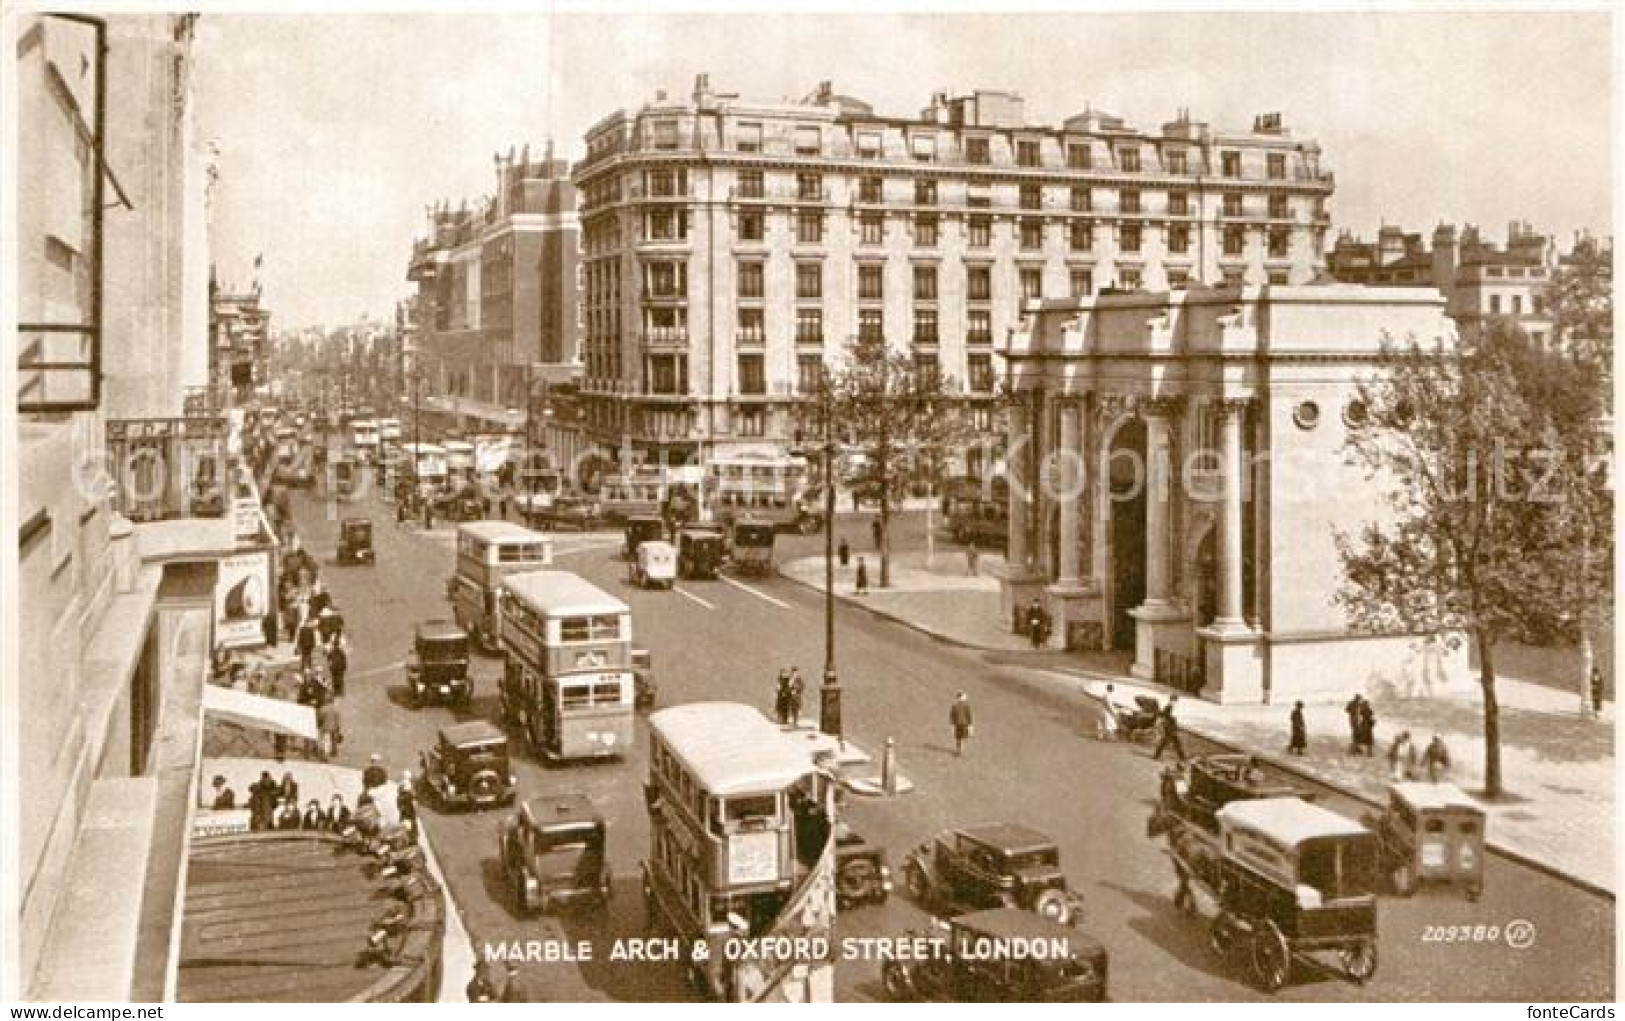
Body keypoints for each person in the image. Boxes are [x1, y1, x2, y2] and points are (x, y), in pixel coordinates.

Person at [1153, 696, 1186, 762]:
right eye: (1174, 700)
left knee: (1170, 742)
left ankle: (1182, 757)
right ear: (1172, 700)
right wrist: (1173, 720)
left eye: (1175, 700)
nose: (1175, 702)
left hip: (1169, 727)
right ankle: (1182, 757)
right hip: (1169, 727)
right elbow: (1166, 716)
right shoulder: (1169, 707)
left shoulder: (1169, 706)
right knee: (1172, 742)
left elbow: (1164, 716)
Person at [949, 692, 974, 756]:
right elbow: (952, 716)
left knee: (960, 738)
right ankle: (959, 750)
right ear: (960, 698)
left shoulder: (957, 706)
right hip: (961, 724)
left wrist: (970, 725)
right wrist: (970, 725)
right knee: (960, 738)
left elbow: (969, 716)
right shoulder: (957, 706)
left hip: (961, 724)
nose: (965, 698)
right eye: (964, 697)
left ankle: (960, 750)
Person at [397, 772, 418, 839]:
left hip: (405, 810)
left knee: (407, 821)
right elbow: (414, 802)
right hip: (408, 810)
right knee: (411, 821)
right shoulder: (408, 793)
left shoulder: (401, 792)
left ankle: (410, 834)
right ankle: (413, 834)